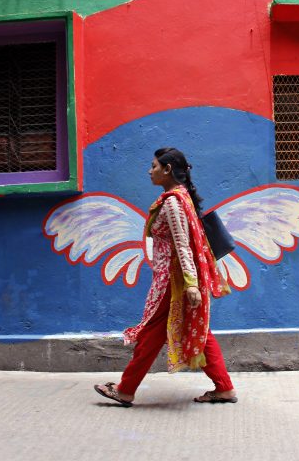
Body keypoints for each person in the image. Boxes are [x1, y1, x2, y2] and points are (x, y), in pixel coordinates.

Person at [94, 147, 237, 407]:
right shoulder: (179, 197)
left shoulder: (172, 202)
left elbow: (182, 244)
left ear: (168, 169)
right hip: (175, 279)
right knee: (201, 333)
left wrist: (191, 284)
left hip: (173, 282)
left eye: (154, 166)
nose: (150, 171)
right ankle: (224, 388)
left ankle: (126, 390)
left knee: (150, 334)